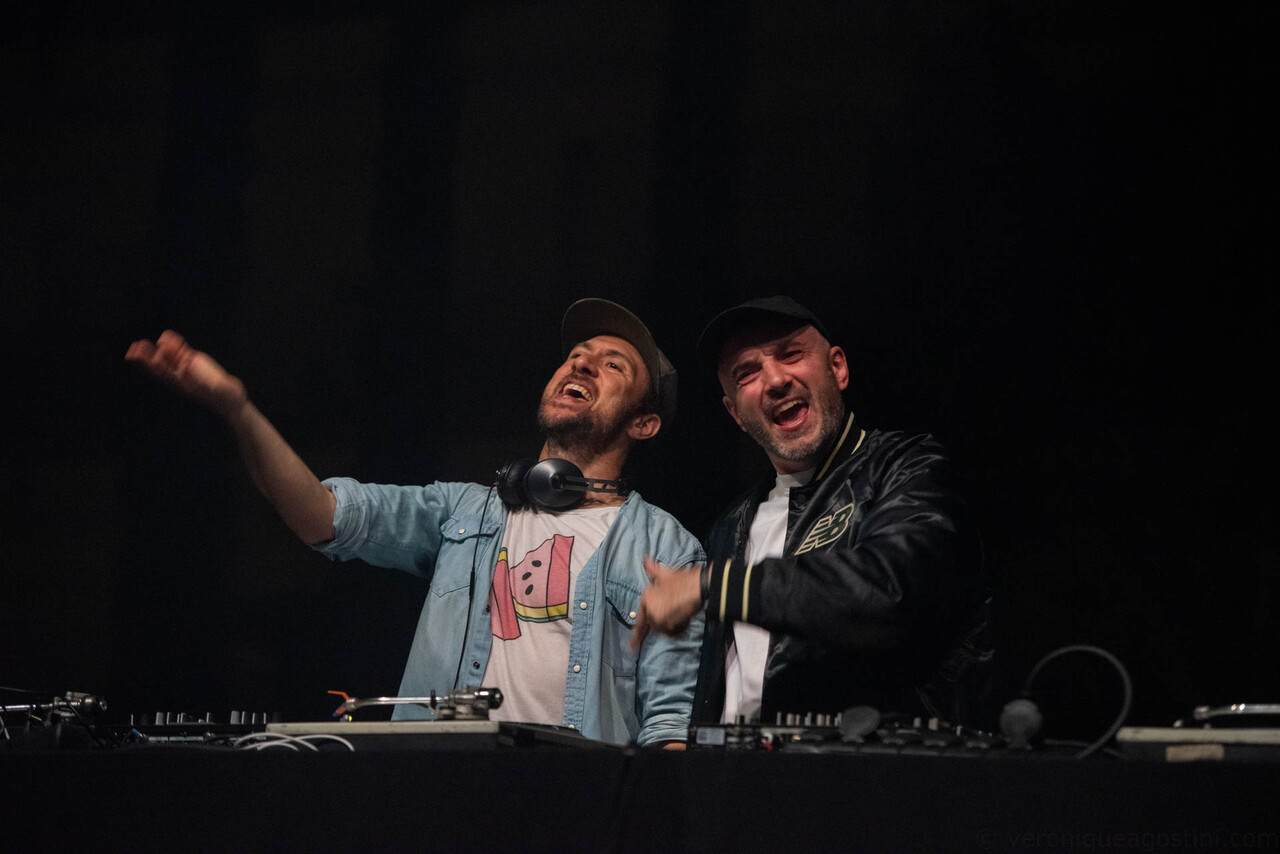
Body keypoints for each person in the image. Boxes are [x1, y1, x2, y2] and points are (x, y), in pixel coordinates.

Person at [126, 298, 705, 747]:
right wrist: (238, 409)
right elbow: (321, 516)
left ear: (644, 423)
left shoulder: (667, 547)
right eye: (577, 353)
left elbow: (668, 723)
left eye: (612, 365)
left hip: (574, 807)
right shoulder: (466, 510)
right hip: (438, 789)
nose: (581, 362)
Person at [632, 296, 991, 728]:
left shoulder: (907, 467)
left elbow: (892, 591)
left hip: (876, 764)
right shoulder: (729, 526)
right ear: (735, 413)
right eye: (747, 373)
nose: (775, 380)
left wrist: (715, 586)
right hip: (735, 765)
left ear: (837, 368)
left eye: (790, 354)